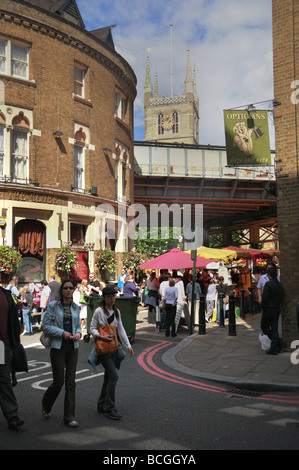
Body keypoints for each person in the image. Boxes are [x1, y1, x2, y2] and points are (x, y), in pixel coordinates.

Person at [41, 279, 81, 427]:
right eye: (66, 288)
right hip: (58, 347)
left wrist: (77, 333)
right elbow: (45, 327)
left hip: (73, 346)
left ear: (74, 290)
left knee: (70, 382)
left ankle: (69, 417)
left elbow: (78, 326)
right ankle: (46, 403)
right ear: (61, 290)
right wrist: (62, 332)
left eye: (71, 288)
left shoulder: (76, 307)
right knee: (58, 382)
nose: (68, 290)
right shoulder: (52, 306)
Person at [89, 286, 134, 420]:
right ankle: (110, 408)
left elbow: (121, 330)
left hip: (114, 348)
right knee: (114, 376)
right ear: (104, 298)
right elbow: (91, 329)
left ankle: (101, 404)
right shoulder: (98, 311)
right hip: (103, 349)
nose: (112, 298)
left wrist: (128, 346)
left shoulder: (117, 311)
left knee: (108, 377)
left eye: (113, 296)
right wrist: (101, 336)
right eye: (109, 296)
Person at [0, 285, 24, 431]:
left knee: (4, 379)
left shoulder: (6, 294)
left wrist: (15, 340)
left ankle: (12, 415)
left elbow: (13, 319)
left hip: (3, 344)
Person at [261, 267, 285, 355]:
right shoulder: (280, 285)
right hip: (277, 308)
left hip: (269, 309)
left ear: (269, 275)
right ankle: (275, 346)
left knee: (264, 327)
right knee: (274, 328)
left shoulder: (268, 284)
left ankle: (278, 342)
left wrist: (263, 307)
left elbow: (265, 298)